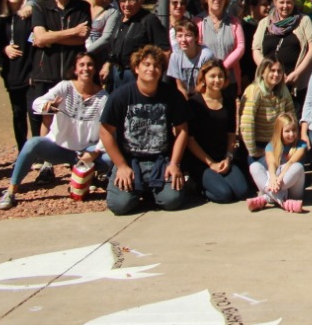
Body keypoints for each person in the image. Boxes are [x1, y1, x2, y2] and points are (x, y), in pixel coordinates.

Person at [0, 51, 109, 210]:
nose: (86, 68)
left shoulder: (103, 98)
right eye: (82, 65)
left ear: (95, 69)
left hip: (86, 151)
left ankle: (91, 180)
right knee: (33, 144)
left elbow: (108, 131)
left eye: (90, 65)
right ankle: (11, 191)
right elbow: (37, 104)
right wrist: (47, 107)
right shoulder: (65, 87)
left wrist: (96, 152)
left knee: (110, 158)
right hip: (60, 147)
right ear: (75, 69)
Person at [98, 45, 191, 214]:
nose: (151, 69)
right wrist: (121, 166)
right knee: (120, 206)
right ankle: (137, 189)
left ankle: (150, 191)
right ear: (136, 67)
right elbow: (105, 131)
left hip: (160, 160)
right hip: (130, 160)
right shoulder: (120, 96)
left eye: (156, 65)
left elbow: (182, 129)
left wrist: (174, 163)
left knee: (173, 200)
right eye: (146, 64)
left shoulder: (172, 95)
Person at [28, 0, 89, 148]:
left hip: (72, 72)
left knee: (74, 115)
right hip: (46, 71)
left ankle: (72, 154)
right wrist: (72, 32)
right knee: (48, 116)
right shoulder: (40, 7)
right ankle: (46, 159)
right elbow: (39, 38)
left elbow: (82, 37)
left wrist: (50, 36)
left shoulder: (82, 7)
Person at [184, 58, 249, 204]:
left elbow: (231, 134)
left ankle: (217, 179)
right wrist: (210, 163)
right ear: (204, 78)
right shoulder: (194, 103)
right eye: (212, 76)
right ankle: (197, 186)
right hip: (201, 160)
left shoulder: (228, 100)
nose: (217, 80)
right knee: (223, 194)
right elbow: (190, 140)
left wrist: (228, 157)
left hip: (222, 157)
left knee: (242, 191)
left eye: (220, 76)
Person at [251, 0, 312, 110]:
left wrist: (297, 73)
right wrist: (268, 70)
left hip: (295, 83)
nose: (285, 6)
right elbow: (256, 49)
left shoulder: (304, 21)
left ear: (294, 3)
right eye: (282, 2)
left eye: (289, 2)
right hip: (269, 81)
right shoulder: (264, 23)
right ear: (275, 2)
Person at [104, 0, 167, 90]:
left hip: (138, 75)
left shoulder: (149, 20)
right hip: (117, 74)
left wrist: (155, 77)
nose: (126, 5)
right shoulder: (120, 20)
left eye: (131, 0)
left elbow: (164, 50)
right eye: (123, 1)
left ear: (140, 1)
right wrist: (107, 65)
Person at [0, 0, 36, 153]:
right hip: (11, 71)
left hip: (29, 69)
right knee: (18, 113)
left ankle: (37, 150)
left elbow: (35, 38)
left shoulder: (29, 14)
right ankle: (23, 150)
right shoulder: (1, 17)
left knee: (34, 112)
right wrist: (5, 48)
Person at [240, 58, 296, 166]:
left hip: (279, 142)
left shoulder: (283, 90)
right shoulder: (254, 91)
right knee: (277, 169)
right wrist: (254, 151)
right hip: (259, 145)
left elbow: (291, 116)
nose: (276, 74)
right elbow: (247, 123)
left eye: (279, 71)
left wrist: (292, 143)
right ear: (262, 72)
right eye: (272, 70)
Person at [247, 112, 307, 212]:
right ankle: (283, 202)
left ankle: (267, 198)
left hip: (291, 187)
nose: (291, 134)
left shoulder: (301, 145)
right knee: (254, 166)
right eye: (287, 131)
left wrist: (279, 178)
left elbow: (291, 162)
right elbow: (272, 164)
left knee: (298, 167)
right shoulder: (270, 146)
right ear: (279, 131)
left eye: (294, 130)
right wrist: (273, 178)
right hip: (276, 183)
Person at [198, 0, 246, 89]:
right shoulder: (198, 22)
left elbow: (241, 47)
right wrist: (212, 70)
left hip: (230, 79)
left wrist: (223, 67)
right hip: (206, 80)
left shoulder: (234, 22)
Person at [168, 19, 215, 99]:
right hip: (184, 95)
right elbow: (179, 86)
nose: (183, 40)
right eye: (180, 36)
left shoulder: (206, 55)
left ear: (196, 37)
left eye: (188, 35)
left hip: (204, 94)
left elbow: (205, 84)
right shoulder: (175, 56)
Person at [82, 0, 119, 68]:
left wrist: (84, 53)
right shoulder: (77, 6)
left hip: (97, 60)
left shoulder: (111, 11)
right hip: (74, 58)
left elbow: (107, 38)